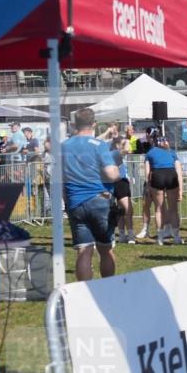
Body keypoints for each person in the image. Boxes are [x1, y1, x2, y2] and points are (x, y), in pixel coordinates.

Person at [61, 109, 121, 281]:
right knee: (105, 248)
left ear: (74, 125)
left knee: (84, 250)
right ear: (94, 124)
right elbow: (111, 174)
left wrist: (66, 200)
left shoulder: (64, 146)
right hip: (99, 199)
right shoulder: (99, 145)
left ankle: (84, 292)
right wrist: (117, 173)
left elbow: (60, 178)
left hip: (75, 202)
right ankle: (109, 288)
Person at [145, 135, 183, 244]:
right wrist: (180, 189)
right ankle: (176, 237)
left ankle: (160, 238)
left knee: (158, 209)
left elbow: (147, 173)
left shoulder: (150, 153)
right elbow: (179, 172)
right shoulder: (172, 152)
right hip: (171, 174)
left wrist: (148, 187)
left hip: (157, 175)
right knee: (173, 209)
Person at [109, 137, 135, 243]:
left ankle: (122, 235)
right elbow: (127, 150)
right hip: (119, 182)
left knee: (120, 210)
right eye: (121, 144)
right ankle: (130, 235)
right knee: (128, 209)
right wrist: (127, 140)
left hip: (116, 182)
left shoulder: (110, 153)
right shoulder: (115, 153)